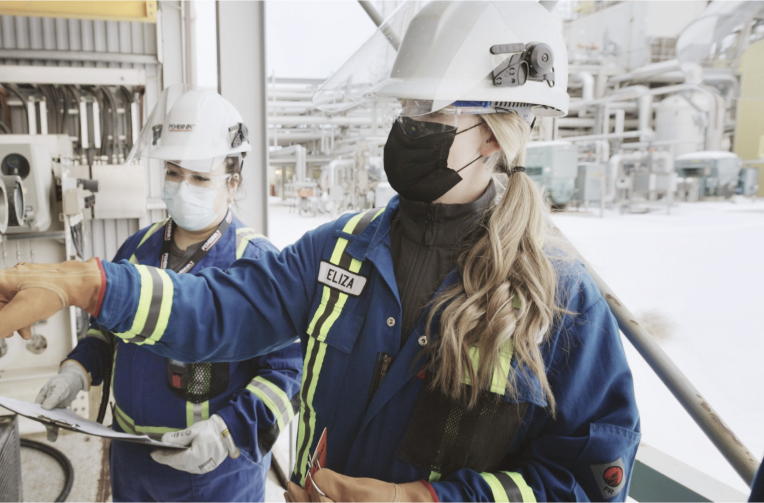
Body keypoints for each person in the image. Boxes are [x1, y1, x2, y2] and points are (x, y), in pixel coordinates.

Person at [0, 1, 640, 502]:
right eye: (406, 106)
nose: (407, 125)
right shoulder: (340, 250)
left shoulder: (559, 301)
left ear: (497, 133)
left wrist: (425, 499)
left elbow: (586, 478)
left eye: (432, 111)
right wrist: (87, 283)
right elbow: (222, 308)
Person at [30, 88, 303, 503]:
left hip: (216, 473)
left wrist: (228, 431)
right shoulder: (138, 248)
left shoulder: (260, 264)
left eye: (199, 178)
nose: (182, 186)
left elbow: (287, 374)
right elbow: (105, 331)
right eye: (174, 173)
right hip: (131, 459)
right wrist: (76, 373)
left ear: (232, 183)